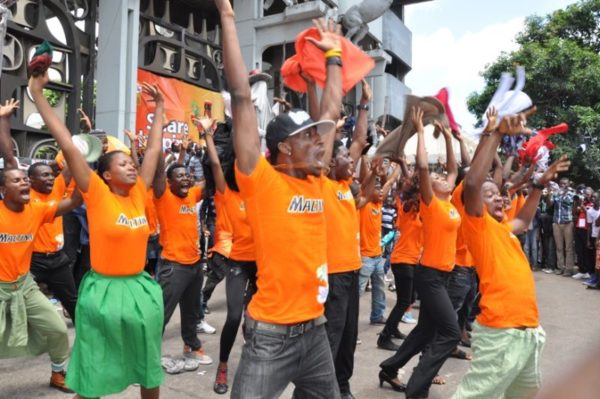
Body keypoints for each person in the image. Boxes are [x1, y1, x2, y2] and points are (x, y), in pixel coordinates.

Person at [216, 0, 343, 396]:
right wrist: (227, 15)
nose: (320, 144)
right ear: (284, 148)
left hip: (315, 331)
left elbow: (333, 109)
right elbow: (240, 97)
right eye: (309, 138)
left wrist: (334, 56)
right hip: (271, 337)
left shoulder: (317, 181)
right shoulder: (262, 180)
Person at [30, 73, 166, 399]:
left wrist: (159, 108)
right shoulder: (96, 193)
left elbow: (154, 151)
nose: (132, 166)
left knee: (148, 367)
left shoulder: (139, 193)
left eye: (131, 162)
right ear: (106, 174)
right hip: (102, 292)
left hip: (139, 290)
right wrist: (37, 92)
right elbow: (67, 143)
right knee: (93, 369)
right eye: (122, 164)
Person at [452, 107, 570, 399]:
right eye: (489, 194)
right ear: (472, 202)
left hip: (528, 332)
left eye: (498, 193)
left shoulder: (502, 227)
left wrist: (539, 186)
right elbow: (471, 182)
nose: (499, 197)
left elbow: (524, 220)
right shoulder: (476, 225)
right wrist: (497, 134)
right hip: (500, 332)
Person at [0, 97, 82, 393]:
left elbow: (73, 201)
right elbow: (9, 156)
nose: (23, 184)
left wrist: (87, 176)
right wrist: (3, 119)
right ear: (2, 189)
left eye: (25, 181)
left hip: (24, 285)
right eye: (17, 181)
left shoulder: (37, 209)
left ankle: (59, 373)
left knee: (58, 328)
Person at [379, 108, 461, 398]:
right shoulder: (431, 203)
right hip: (430, 276)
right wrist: (422, 133)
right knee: (450, 332)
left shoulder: (448, 198)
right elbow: (425, 169)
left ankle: (390, 367)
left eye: (443, 178)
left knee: (426, 330)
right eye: (436, 178)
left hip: (444, 275)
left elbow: (452, 170)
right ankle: (417, 387)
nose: (441, 177)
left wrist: (450, 139)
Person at [195, 114, 258, 394]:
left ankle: (256, 358)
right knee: (234, 316)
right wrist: (208, 135)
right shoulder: (225, 193)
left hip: (263, 265)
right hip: (238, 262)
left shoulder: (260, 192)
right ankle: (222, 366)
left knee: (256, 319)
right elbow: (217, 164)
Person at [322, 79, 371, 398]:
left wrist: (364, 104)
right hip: (333, 275)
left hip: (352, 272)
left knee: (349, 336)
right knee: (331, 337)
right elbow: (347, 142)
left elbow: (360, 139)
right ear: (329, 163)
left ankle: (343, 385)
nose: (351, 161)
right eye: (345, 158)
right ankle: (323, 389)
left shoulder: (344, 187)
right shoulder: (323, 184)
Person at [153, 152, 212, 365]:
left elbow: (210, 179)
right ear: (168, 182)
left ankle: (192, 346)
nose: (186, 178)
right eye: (179, 176)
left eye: (187, 175)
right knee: (160, 315)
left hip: (195, 265)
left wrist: (214, 143)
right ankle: (147, 356)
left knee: (191, 312)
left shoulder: (192, 194)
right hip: (173, 267)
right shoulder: (163, 196)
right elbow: (158, 171)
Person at [28, 162, 78, 321]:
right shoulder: (25, 196)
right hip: (32, 261)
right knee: (21, 304)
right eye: (45, 175)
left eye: (51, 175)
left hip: (58, 259)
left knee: (73, 302)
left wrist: (80, 146)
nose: (51, 178)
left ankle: (89, 341)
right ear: (31, 180)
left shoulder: (56, 188)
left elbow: (71, 167)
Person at [377, 173, 422, 351]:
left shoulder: (421, 209)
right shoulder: (407, 207)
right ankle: (384, 337)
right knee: (404, 301)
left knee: (409, 298)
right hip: (403, 259)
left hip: (412, 260)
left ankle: (393, 329)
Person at [547, 177, 575, 276]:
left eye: (565, 184)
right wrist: (550, 194)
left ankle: (569, 269)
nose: (563, 185)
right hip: (556, 223)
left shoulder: (572, 194)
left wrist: (562, 194)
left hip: (567, 223)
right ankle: (560, 267)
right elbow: (549, 205)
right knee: (559, 247)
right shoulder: (556, 193)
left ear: (568, 184)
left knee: (568, 247)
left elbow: (569, 203)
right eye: (561, 183)